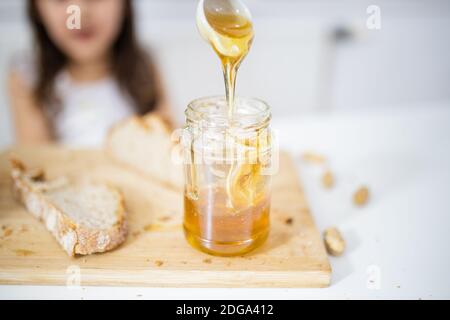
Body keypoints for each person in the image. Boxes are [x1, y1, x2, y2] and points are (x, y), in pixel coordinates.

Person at [8, 0, 173, 146]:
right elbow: (37, 164)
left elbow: (168, 145)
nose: (80, 11)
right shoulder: (26, 78)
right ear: (37, 9)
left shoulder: (145, 66)